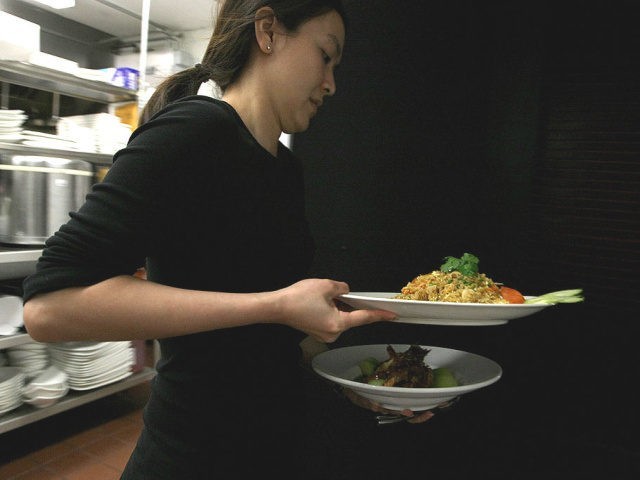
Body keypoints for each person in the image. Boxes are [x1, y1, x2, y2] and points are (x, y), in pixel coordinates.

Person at [22, 1, 433, 478]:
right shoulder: (193, 132)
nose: (331, 84)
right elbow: (49, 309)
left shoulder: (285, 169)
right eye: (325, 56)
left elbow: (272, 333)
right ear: (268, 32)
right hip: (193, 456)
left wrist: (358, 383)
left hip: (271, 447)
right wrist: (274, 305)